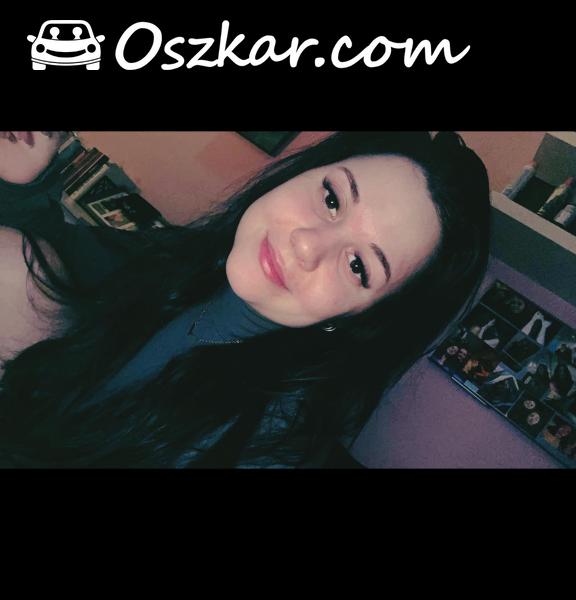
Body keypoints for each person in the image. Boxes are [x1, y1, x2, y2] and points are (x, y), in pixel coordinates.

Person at [0, 130, 491, 468]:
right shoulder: (181, 262)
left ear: (361, 317)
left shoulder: (264, 441)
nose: (307, 245)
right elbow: (53, 259)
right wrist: (27, 182)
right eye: (332, 199)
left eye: (359, 266)